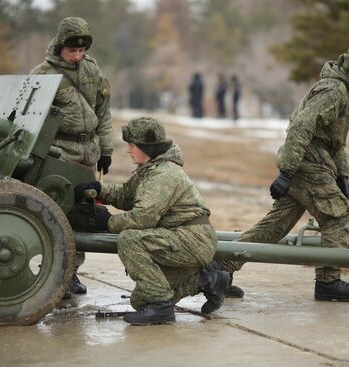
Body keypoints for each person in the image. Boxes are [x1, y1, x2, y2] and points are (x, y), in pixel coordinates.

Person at [216, 39, 349, 301]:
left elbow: (336, 140)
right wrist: (287, 172)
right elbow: (300, 128)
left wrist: (342, 174)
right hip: (307, 163)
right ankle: (329, 283)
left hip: (313, 162)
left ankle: (220, 267)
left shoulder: (347, 92)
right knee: (337, 217)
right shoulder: (334, 92)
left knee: (275, 226)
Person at [75, 117, 229, 325]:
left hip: (192, 239)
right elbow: (126, 196)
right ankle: (207, 281)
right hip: (180, 237)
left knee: (130, 239)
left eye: (132, 145)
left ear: (146, 147)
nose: (128, 150)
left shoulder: (163, 174)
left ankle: (162, 309)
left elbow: (143, 218)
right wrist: (100, 189)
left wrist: (108, 221)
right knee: (141, 300)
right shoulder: (149, 169)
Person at [31, 17, 114, 298]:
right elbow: (31, 119)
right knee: (56, 211)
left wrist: (106, 150)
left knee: (82, 212)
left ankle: (72, 273)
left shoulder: (91, 69)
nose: (77, 56)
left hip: (88, 151)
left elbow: (103, 112)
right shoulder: (43, 75)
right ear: (60, 46)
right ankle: (53, 270)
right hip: (59, 153)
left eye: (81, 51)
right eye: (72, 51)